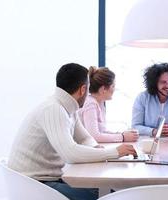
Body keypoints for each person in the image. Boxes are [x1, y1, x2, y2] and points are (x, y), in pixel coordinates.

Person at [8, 63, 137, 200]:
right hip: (33, 185)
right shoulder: (54, 109)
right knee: (106, 194)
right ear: (82, 89)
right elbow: (70, 153)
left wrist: (95, 148)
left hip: (42, 180)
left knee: (106, 192)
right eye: (88, 90)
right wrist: (114, 152)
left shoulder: (68, 108)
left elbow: (84, 138)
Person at [78, 66, 139, 143]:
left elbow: (102, 131)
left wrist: (123, 134)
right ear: (103, 89)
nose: (114, 89)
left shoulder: (99, 103)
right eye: (113, 86)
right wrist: (122, 137)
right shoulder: (90, 104)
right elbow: (94, 136)